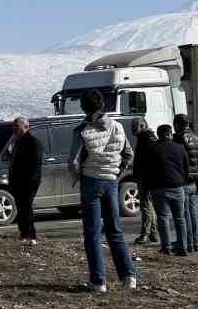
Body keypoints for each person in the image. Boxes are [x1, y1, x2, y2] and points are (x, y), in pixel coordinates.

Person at [67, 90, 137, 293]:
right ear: (102, 105)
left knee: (93, 233)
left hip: (91, 182)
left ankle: (98, 281)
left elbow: (73, 162)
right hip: (111, 182)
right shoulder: (118, 126)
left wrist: (80, 176)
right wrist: (116, 172)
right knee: (115, 231)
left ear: (83, 108)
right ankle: (129, 276)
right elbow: (129, 154)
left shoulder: (83, 130)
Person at [153, 124, 190, 258]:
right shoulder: (179, 148)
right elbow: (186, 167)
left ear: (159, 135)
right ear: (170, 134)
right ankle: (183, 247)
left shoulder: (153, 149)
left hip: (159, 188)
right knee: (180, 219)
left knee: (163, 218)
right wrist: (182, 180)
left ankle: (166, 247)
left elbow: (148, 170)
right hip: (178, 187)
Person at [4, 117, 43, 243]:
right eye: (13, 126)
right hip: (17, 181)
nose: (14, 128)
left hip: (28, 182)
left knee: (26, 206)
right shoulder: (17, 141)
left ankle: (29, 235)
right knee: (21, 207)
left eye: (16, 126)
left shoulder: (33, 142)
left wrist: (29, 181)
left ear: (25, 127)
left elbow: (35, 165)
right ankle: (25, 233)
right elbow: (9, 158)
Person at [173, 113, 198, 253]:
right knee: (192, 213)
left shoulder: (179, 138)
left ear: (178, 124)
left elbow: (178, 159)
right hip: (193, 180)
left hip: (183, 180)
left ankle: (189, 243)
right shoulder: (196, 137)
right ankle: (195, 242)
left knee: (184, 214)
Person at [130, 120, 159, 246]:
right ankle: (153, 233)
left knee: (146, 207)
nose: (132, 131)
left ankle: (146, 234)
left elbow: (150, 159)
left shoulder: (147, 139)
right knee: (149, 207)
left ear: (143, 126)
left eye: (134, 128)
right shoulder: (146, 137)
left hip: (146, 177)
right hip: (146, 177)